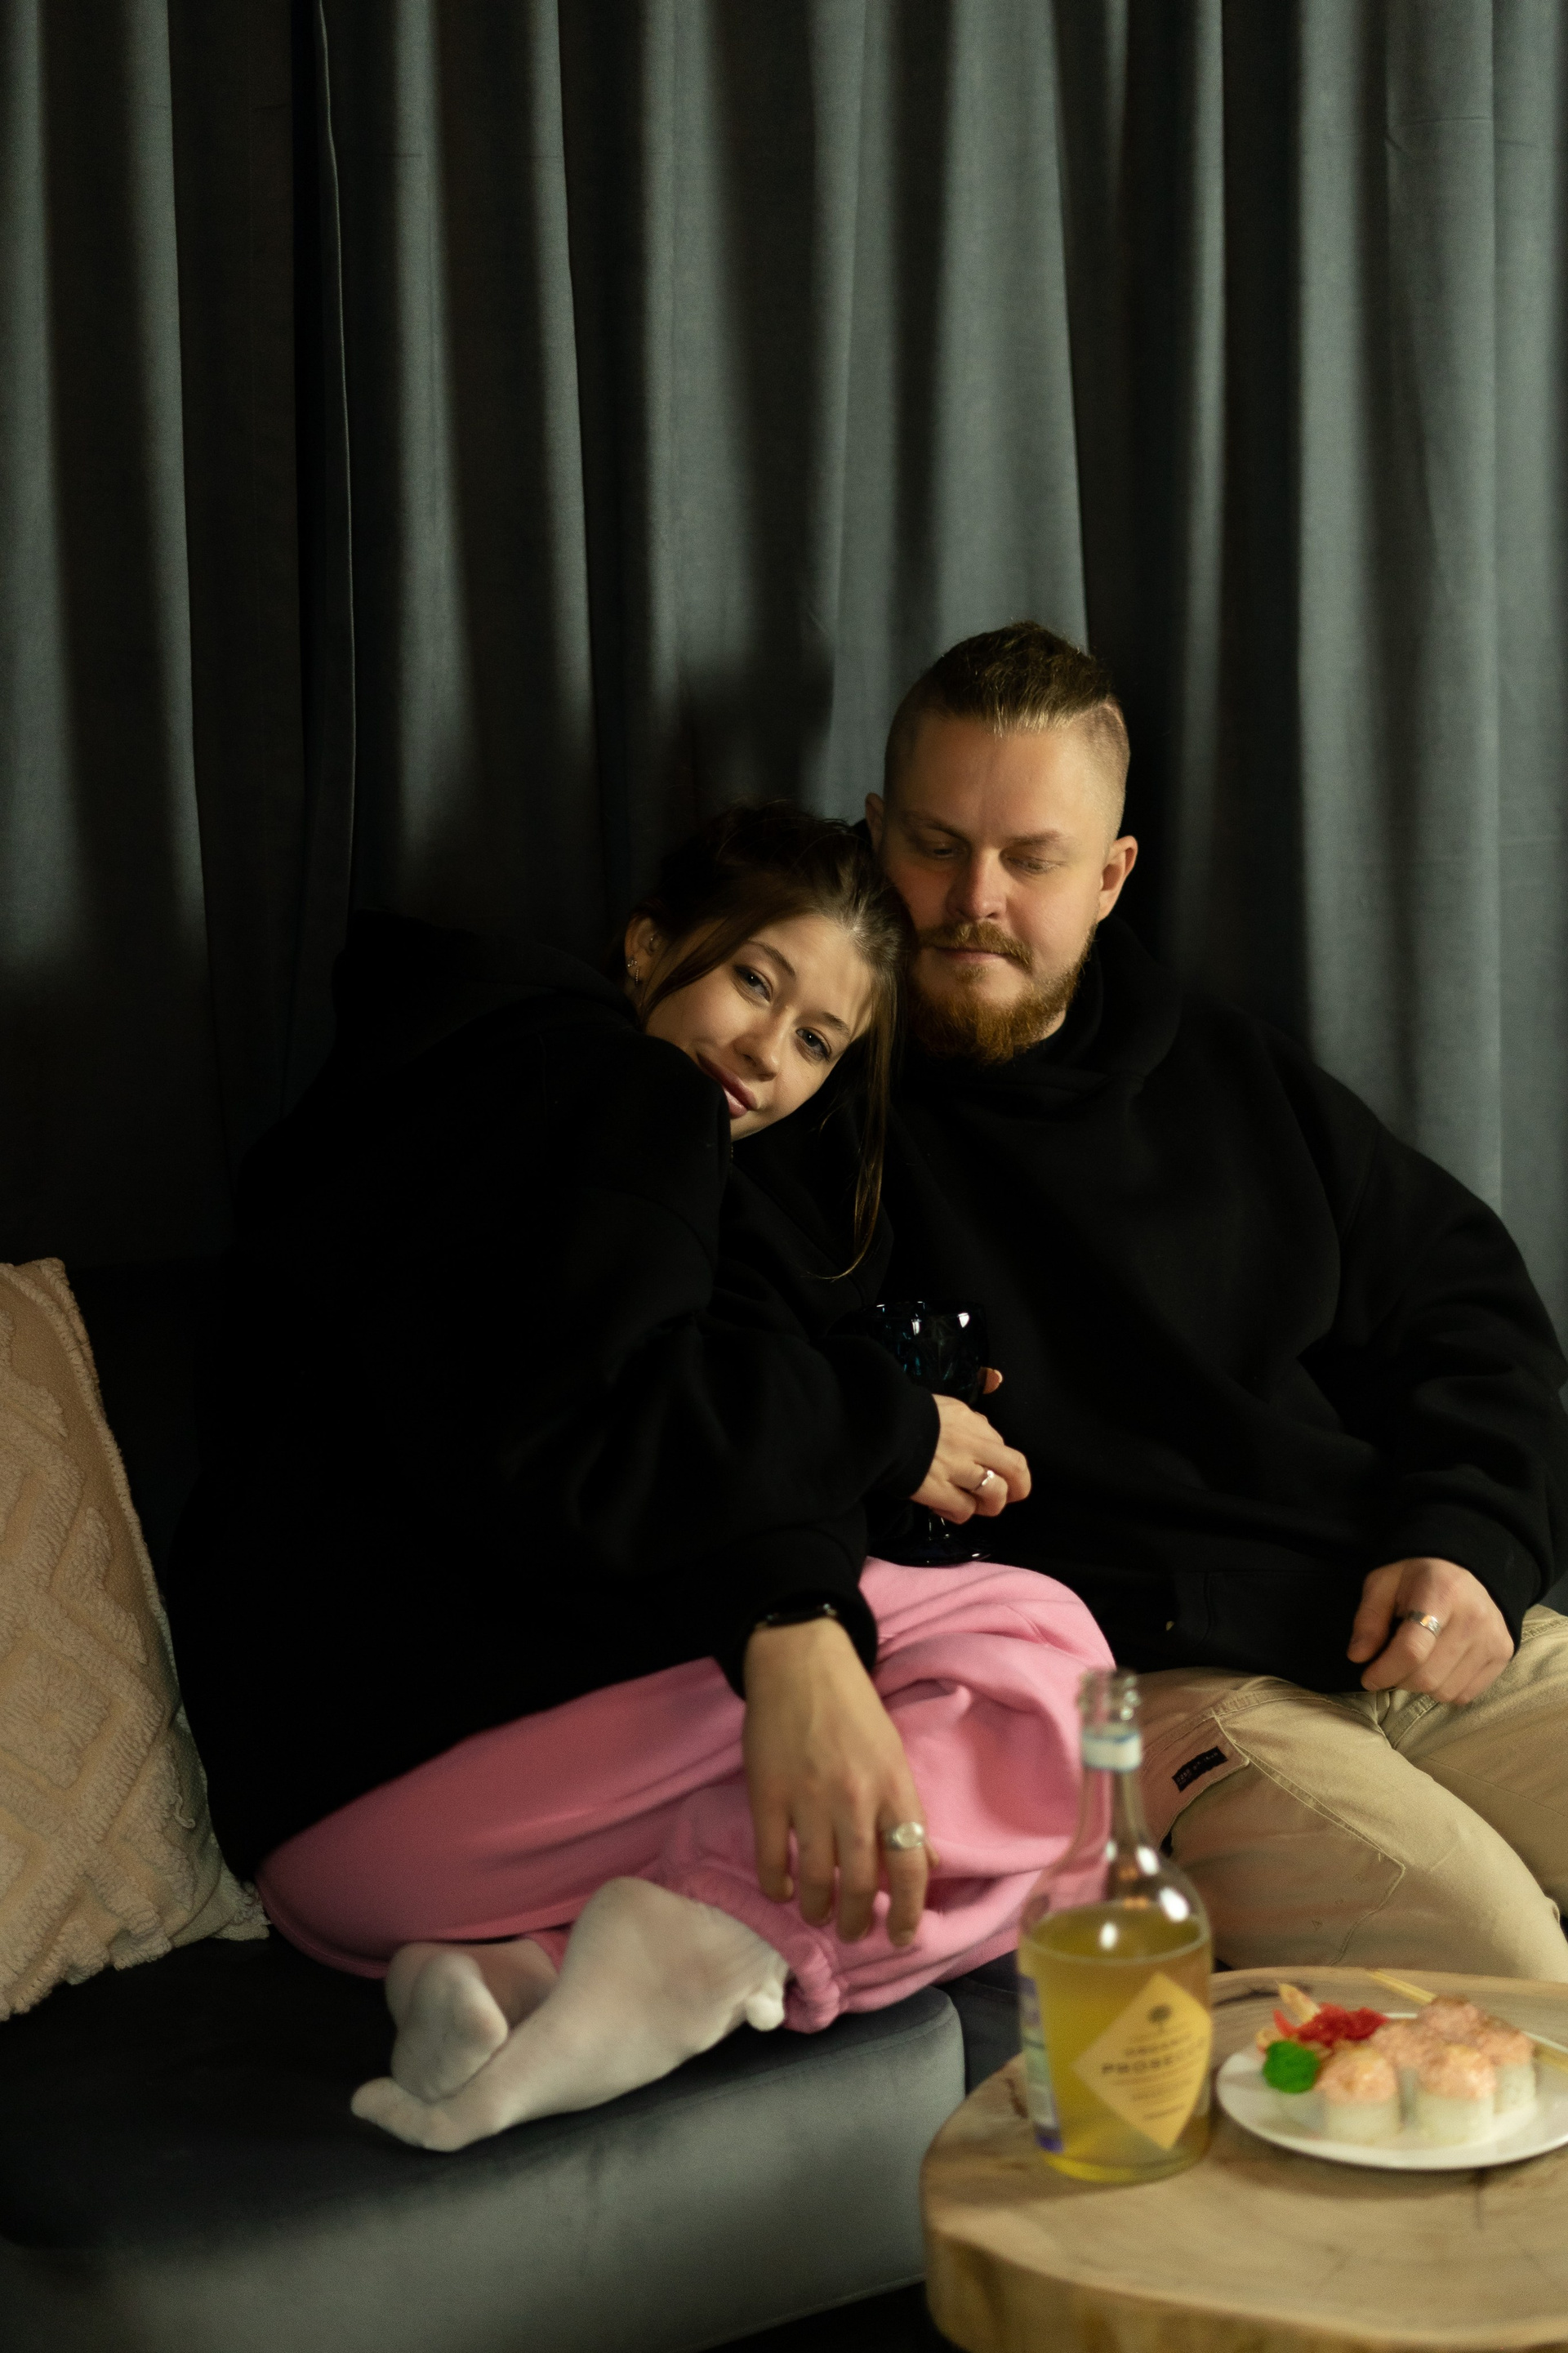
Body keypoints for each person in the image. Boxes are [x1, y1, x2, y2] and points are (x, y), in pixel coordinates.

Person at [164, 804, 1110, 2151]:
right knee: (1052, 1668)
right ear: (648, 943)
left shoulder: (419, 1095)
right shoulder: (631, 1092)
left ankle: (521, 1981)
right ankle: (707, 1951)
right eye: (756, 980)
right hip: (448, 1749)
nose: (763, 1051)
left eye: (816, 1042)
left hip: (325, 1861)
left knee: (915, 1731)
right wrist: (880, 1434)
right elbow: (613, 1429)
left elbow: (574, 1408)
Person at [840, 619, 1568, 1980]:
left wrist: (1473, 1541)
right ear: (875, 833)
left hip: (1390, 1613)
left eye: (1031, 859)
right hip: (1155, 1685)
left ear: (1111, 876)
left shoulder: (1231, 1072)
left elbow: (1466, 1302)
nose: (973, 897)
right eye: (935, 844)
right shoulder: (822, 1101)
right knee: (1518, 1978)